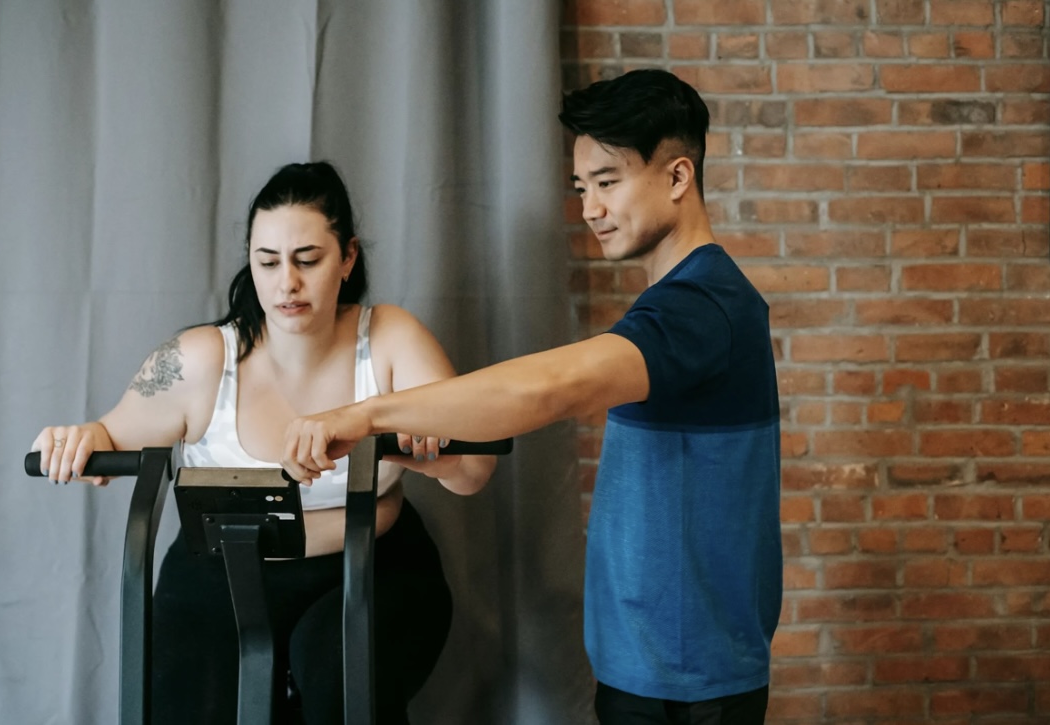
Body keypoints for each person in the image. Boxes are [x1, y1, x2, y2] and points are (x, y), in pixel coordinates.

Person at [279, 70, 782, 725]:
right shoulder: (677, 302)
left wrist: (364, 411)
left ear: (679, 178)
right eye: (581, 188)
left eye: (608, 181)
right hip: (650, 667)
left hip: (689, 680)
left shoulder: (704, 307)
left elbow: (553, 387)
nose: (590, 208)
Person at [31, 161, 497, 725]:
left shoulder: (392, 337)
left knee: (335, 672)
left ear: (347, 258)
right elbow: (106, 434)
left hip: (366, 565)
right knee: (186, 705)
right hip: (222, 573)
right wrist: (73, 439)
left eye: (308, 260)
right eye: (268, 262)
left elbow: (472, 473)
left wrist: (433, 451)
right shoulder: (201, 359)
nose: (287, 284)